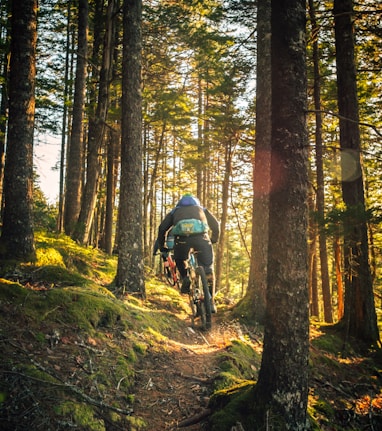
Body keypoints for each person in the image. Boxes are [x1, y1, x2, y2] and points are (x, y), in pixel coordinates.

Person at [156, 193, 220, 312]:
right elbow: (215, 224)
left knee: (180, 259)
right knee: (208, 270)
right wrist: (214, 239)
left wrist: (162, 246)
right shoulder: (202, 209)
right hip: (202, 238)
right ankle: (211, 303)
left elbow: (162, 228)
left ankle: (185, 277)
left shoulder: (175, 211)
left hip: (182, 240)